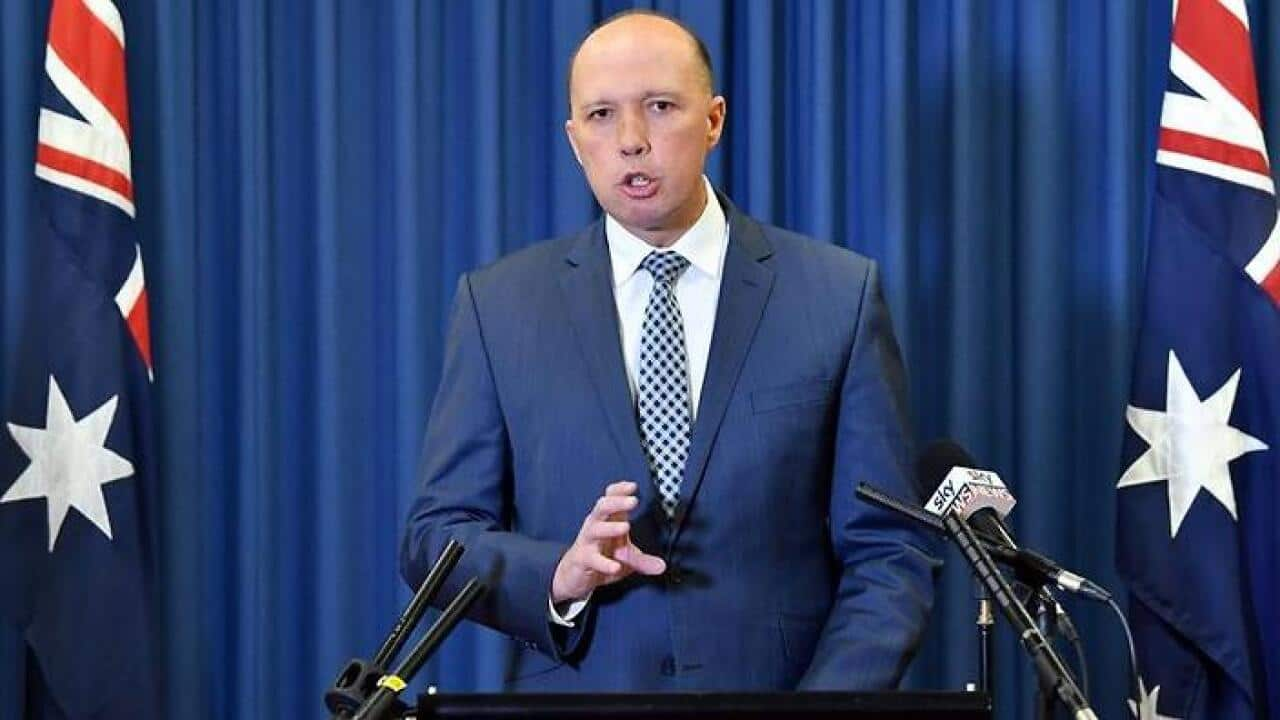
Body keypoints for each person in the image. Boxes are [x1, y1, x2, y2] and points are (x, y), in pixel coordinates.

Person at [400, 10, 939, 691]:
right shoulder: (499, 307)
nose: (630, 141)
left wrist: (821, 712)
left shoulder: (837, 295)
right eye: (600, 114)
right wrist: (559, 574)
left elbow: (889, 550)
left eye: (659, 107)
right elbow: (437, 537)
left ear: (712, 120)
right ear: (574, 140)